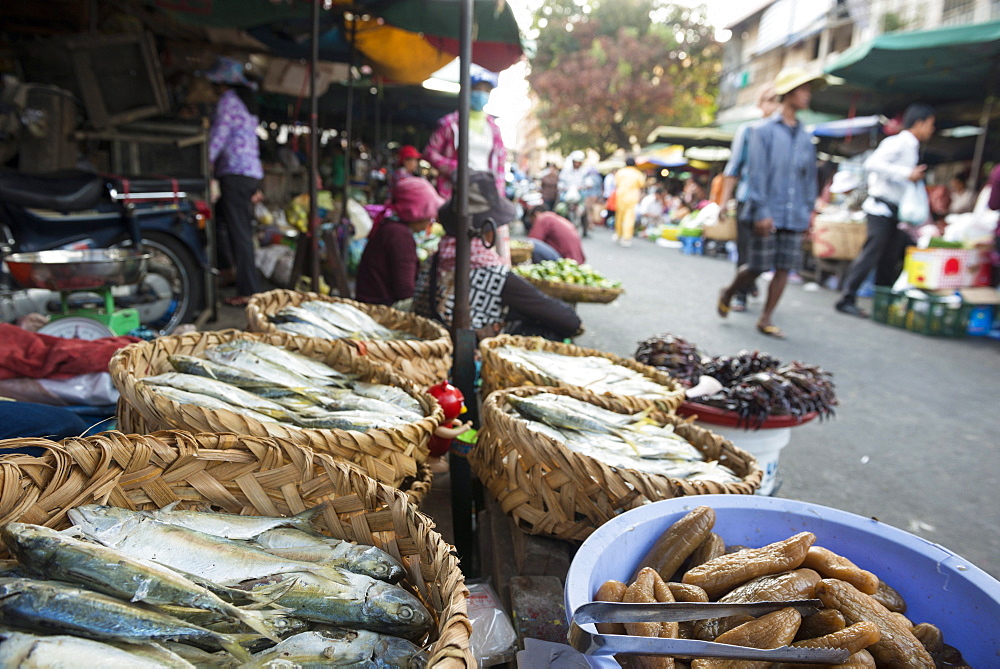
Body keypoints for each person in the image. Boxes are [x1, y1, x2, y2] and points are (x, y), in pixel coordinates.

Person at [413, 171, 582, 341]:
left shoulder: (434, 260)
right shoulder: (491, 274)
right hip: (465, 352)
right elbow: (569, 321)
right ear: (489, 230)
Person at [717, 67, 823, 339]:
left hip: (795, 211)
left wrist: (809, 211)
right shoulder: (759, 131)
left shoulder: (806, 138)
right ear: (788, 94)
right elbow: (756, 174)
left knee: (785, 266)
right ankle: (730, 291)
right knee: (758, 264)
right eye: (803, 90)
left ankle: (766, 318)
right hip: (765, 209)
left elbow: (809, 178)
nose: (807, 95)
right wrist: (762, 210)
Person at [835, 104, 936, 317]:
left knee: (889, 258)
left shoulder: (912, 147)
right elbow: (873, 163)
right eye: (930, 124)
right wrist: (906, 173)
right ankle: (847, 297)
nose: (931, 130)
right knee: (871, 254)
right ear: (919, 123)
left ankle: (883, 306)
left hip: (894, 213)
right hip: (880, 209)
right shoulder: (898, 142)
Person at [424, 66, 511, 263]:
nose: (482, 94)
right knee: (455, 237)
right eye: (478, 89)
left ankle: (490, 270)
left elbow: (500, 163)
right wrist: (454, 169)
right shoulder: (450, 123)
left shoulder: (494, 129)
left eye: (486, 91)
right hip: (454, 191)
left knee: (486, 237)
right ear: (467, 90)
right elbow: (430, 152)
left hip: (484, 193)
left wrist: (497, 192)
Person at [204, 57, 264, 307]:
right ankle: (229, 271)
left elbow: (219, 134)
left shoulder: (228, 101)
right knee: (226, 224)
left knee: (239, 232)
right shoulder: (246, 103)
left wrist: (206, 160)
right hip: (249, 173)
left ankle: (249, 290)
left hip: (235, 173)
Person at [719, 86, 780, 311]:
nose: (775, 106)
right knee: (746, 251)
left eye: (778, 100)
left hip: (776, 204)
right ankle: (740, 294)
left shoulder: (786, 135)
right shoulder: (749, 130)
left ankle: (748, 283)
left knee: (768, 256)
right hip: (749, 200)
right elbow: (733, 168)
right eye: (771, 100)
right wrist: (724, 202)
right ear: (760, 104)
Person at [355, 177, 443, 307]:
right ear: (416, 213)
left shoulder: (390, 226)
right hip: (381, 309)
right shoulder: (400, 236)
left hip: (372, 301)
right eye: (428, 216)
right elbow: (405, 291)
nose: (430, 221)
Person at [613, 157, 646, 247]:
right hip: (632, 198)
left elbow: (616, 183)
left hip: (620, 196)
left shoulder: (620, 172)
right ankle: (626, 238)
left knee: (619, 216)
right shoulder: (638, 173)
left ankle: (618, 234)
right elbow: (642, 185)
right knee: (629, 218)